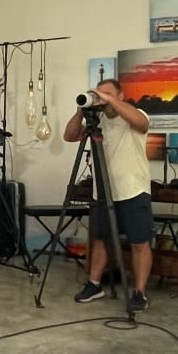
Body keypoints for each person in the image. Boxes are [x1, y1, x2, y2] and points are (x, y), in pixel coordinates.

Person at [62, 78, 153, 312]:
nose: (101, 97)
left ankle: (140, 293)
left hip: (133, 190)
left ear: (120, 96)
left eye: (107, 94)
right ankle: (94, 284)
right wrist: (81, 111)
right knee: (100, 240)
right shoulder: (97, 120)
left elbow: (141, 123)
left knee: (139, 243)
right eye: (98, 94)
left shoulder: (134, 114)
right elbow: (70, 136)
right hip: (103, 192)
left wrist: (109, 100)